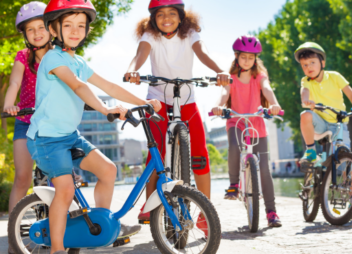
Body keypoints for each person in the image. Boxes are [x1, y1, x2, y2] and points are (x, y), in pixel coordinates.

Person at [25, 0, 161, 253]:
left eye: (81, 25)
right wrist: (107, 109)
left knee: (108, 170)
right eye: (68, 25)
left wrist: (144, 103)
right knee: (65, 190)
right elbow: (79, 86)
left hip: (69, 135)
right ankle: (57, 249)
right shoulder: (52, 59)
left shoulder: (79, 61)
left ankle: (101, 225)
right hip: (45, 139)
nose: (75, 30)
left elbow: (108, 86)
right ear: (54, 30)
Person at [124, 0, 230, 236]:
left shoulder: (189, 33)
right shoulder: (150, 34)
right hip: (158, 99)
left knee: (201, 154)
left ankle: (204, 213)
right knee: (157, 153)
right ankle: (149, 203)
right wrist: (133, 70)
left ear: (181, 17)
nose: (166, 18)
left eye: (172, 13)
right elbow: (140, 54)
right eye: (160, 14)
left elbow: (202, 52)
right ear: (153, 19)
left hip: (187, 99)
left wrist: (219, 71)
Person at [211, 35, 282, 227]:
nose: (247, 61)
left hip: (256, 123)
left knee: (265, 170)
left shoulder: (259, 76)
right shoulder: (231, 78)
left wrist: (274, 104)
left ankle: (271, 212)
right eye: (243, 57)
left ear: (256, 59)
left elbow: (267, 89)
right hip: (236, 121)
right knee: (234, 146)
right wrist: (218, 106)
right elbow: (224, 94)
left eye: (251, 58)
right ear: (236, 56)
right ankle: (234, 184)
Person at [294, 42, 352, 221]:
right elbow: (304, 95)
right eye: (304, 65)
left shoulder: (334, 76)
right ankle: (311, 150)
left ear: (322, 63)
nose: (308, 67)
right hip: (320, 123)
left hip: (338, 123)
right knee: (305, 115)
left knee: (348, 163)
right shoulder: (306, 81)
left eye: (312, 63)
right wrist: (307, 102)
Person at [3, 3, 53, 253]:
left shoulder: (60, 55)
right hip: (25, 121)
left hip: (54, 124)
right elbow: (14, 82)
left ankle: (61, 233)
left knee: (61, 179)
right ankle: (15, 239)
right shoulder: (23, 56)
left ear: (51, 28)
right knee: (22, 177)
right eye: (30, 29)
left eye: (41, 27)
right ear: (25, 34)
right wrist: (9, 104)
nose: (36, 33)